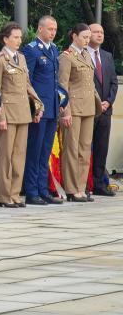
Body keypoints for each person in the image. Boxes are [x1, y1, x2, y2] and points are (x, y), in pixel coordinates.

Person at [0, 22, 44, 208]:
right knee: (5, 156)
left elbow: (27, 85)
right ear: (5, 39)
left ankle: (15, 193)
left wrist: (37, 105)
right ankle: (4, 196)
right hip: (8, 114)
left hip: (22, 113)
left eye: (20, 37)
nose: (19, 40)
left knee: (19, 155)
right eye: (15, 37)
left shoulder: (20, 58)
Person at [59, 23, 102, 202]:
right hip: (74, 108)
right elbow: (62, 85)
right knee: (72, 148)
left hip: (88, 108)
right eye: (84, 37)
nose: (87, 40)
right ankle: (71, 188)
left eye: (88, 37)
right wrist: (65, 111)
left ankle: (81, 187)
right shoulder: (67, 56)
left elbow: (89, 83)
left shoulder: (86, 55)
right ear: (74, 36)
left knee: (85, 149)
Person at [22, 15, 63, 205]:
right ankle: (31, 191)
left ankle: (43, 189)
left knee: (45, 151)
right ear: (40, 29)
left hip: (52, 108)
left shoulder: (54, 49)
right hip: (39, 109)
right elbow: (27, 81)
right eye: (49, 29)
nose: (53, 33)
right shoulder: (31, 50)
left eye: (55, 30)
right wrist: (33, 107)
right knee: (35, 150)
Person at [87, 23, 118, 196]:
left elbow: (114, 82)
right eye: (96, 32)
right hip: (88, 110)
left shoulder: (106, 56)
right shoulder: (81, 55)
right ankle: (84, 184)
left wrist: (108, 101)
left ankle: (99, 184)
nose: (99, 35)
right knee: (84, 149)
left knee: (101, 148)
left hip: (105, 111)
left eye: (102, 32)